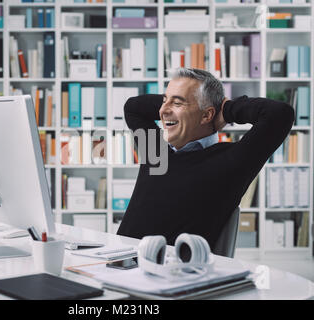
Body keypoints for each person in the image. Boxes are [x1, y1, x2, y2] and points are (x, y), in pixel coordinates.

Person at [116, 68, 294, 249]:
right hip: (116, 262)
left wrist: (227, 109)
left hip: (169, 271)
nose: (162, 111)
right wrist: (174, 104)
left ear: (207, 115)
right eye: (163, 101)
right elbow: (133, 107)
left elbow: (280, 114)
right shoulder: (156, 152)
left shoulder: (232, 162)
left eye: (178, 103)